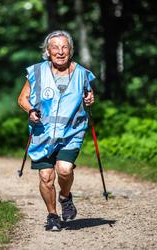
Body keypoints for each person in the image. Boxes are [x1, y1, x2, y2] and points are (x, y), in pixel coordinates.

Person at [18, 30, 95, 231]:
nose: (60, 52)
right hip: (42, 134)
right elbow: (22, 98)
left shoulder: (82, 73)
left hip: (71, 132)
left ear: (70, 50)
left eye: (64, 47)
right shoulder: (35, 72)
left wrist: (89, 98)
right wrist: (30, 110)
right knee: (46, 176)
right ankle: (52, 216)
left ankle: (65, 197)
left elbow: (88, 94)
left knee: (64, 169)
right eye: (55, 47)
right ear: (47, 51)